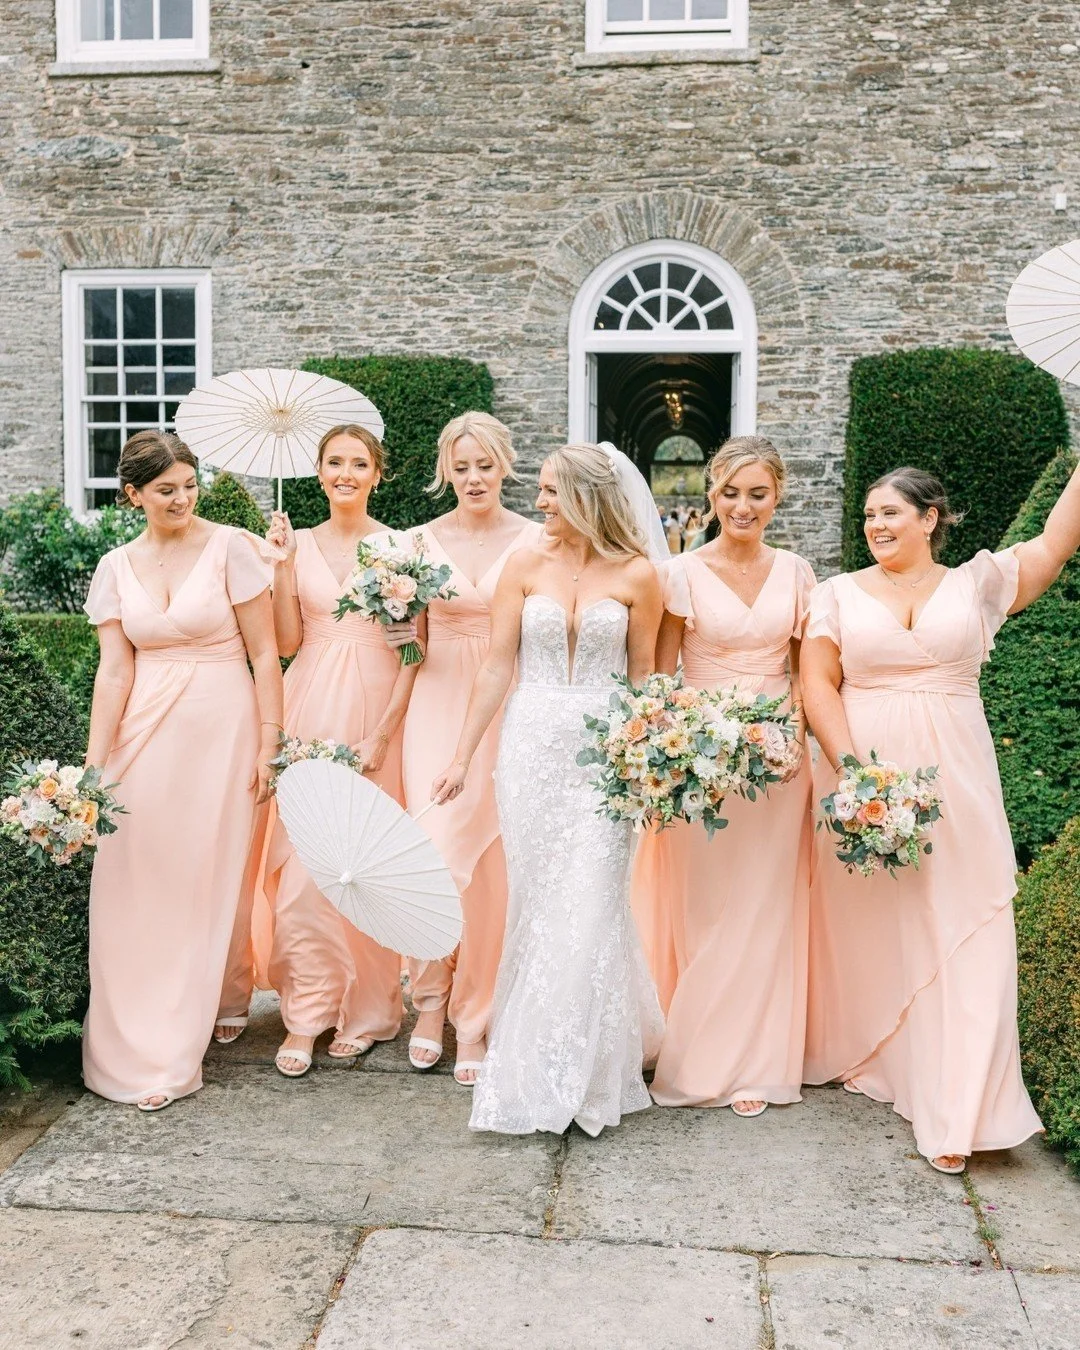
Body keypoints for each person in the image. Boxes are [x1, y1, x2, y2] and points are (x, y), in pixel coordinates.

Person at [801, 459, 1080, 1174]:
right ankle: (891, 1059)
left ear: (930, 518)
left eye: (890, 513)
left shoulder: (975, 586)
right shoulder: (834, 594)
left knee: (971, 921)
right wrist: (851, 770)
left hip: (957, 780)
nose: (876, 525)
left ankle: (962, 1108)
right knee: (880, 927)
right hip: (867, 779)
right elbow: (817, 684)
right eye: (869, 515)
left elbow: (1053, 544)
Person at [432, 443, 665, 1136]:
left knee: (592, 901)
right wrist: (463, 755)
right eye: (538, 490)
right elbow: (498, 666)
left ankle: (587, 1074)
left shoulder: (639, 575)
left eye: (552, 492)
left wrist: (650, 762)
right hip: (530, 746)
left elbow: (644, 678)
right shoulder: (523, 565)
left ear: (590, 499)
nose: (538, 503)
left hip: (604, 756)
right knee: (539, 904)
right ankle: (532, 1064)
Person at [81, 430, 283, 1111]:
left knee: (199, 884)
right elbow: (114, 673)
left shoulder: (231, 548)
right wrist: (93, 768)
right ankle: (121, 1045)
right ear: (134, 494)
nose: (183, 499)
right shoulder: (115, 565)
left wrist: (268, 742)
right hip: (143, 735)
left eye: (191, 486)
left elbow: (265, 655)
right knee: (131, 879)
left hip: (221, 732)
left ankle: (172, 1051)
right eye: (166, 490)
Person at [635, 437, 815, 1117]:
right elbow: (660, 672)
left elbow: (805, 672)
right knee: (705, 907)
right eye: (731, 492)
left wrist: (789, 731)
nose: (743, 506)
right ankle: (699, 1050)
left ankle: (760, 1065)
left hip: (775, 764)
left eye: (758, 494)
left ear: (778, 496)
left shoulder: (797, 573)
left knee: (765, 909)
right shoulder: (676, 574)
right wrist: (684, 742)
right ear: (710, 494)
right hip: (700, 759)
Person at [252, 425, 415, 1078]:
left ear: (378, 473)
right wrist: (283, 567)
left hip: (375, 710)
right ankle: (306, 1012)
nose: (345, 472)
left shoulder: (401, 548)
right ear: (317, 473)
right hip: (311, 701)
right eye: (334, 463)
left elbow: (413, 650)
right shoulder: (299, 544)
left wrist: (384, 731)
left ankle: (372, 1009)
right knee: (300, 866)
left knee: (364, 865)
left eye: (358, 463)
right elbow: (289, 639)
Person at [387, 413, 539, 1085]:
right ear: (445, 470)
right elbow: (410, 644)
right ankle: (428, 1003)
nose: (474, 478)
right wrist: (397, 632)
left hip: (512, 708)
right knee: (435, 856)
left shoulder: (539, 541)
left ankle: (475, 1018)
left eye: (486, 465)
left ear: (505, 465)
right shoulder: (415, 542)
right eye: (462, 466)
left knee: (495, 869)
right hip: (435, 704)